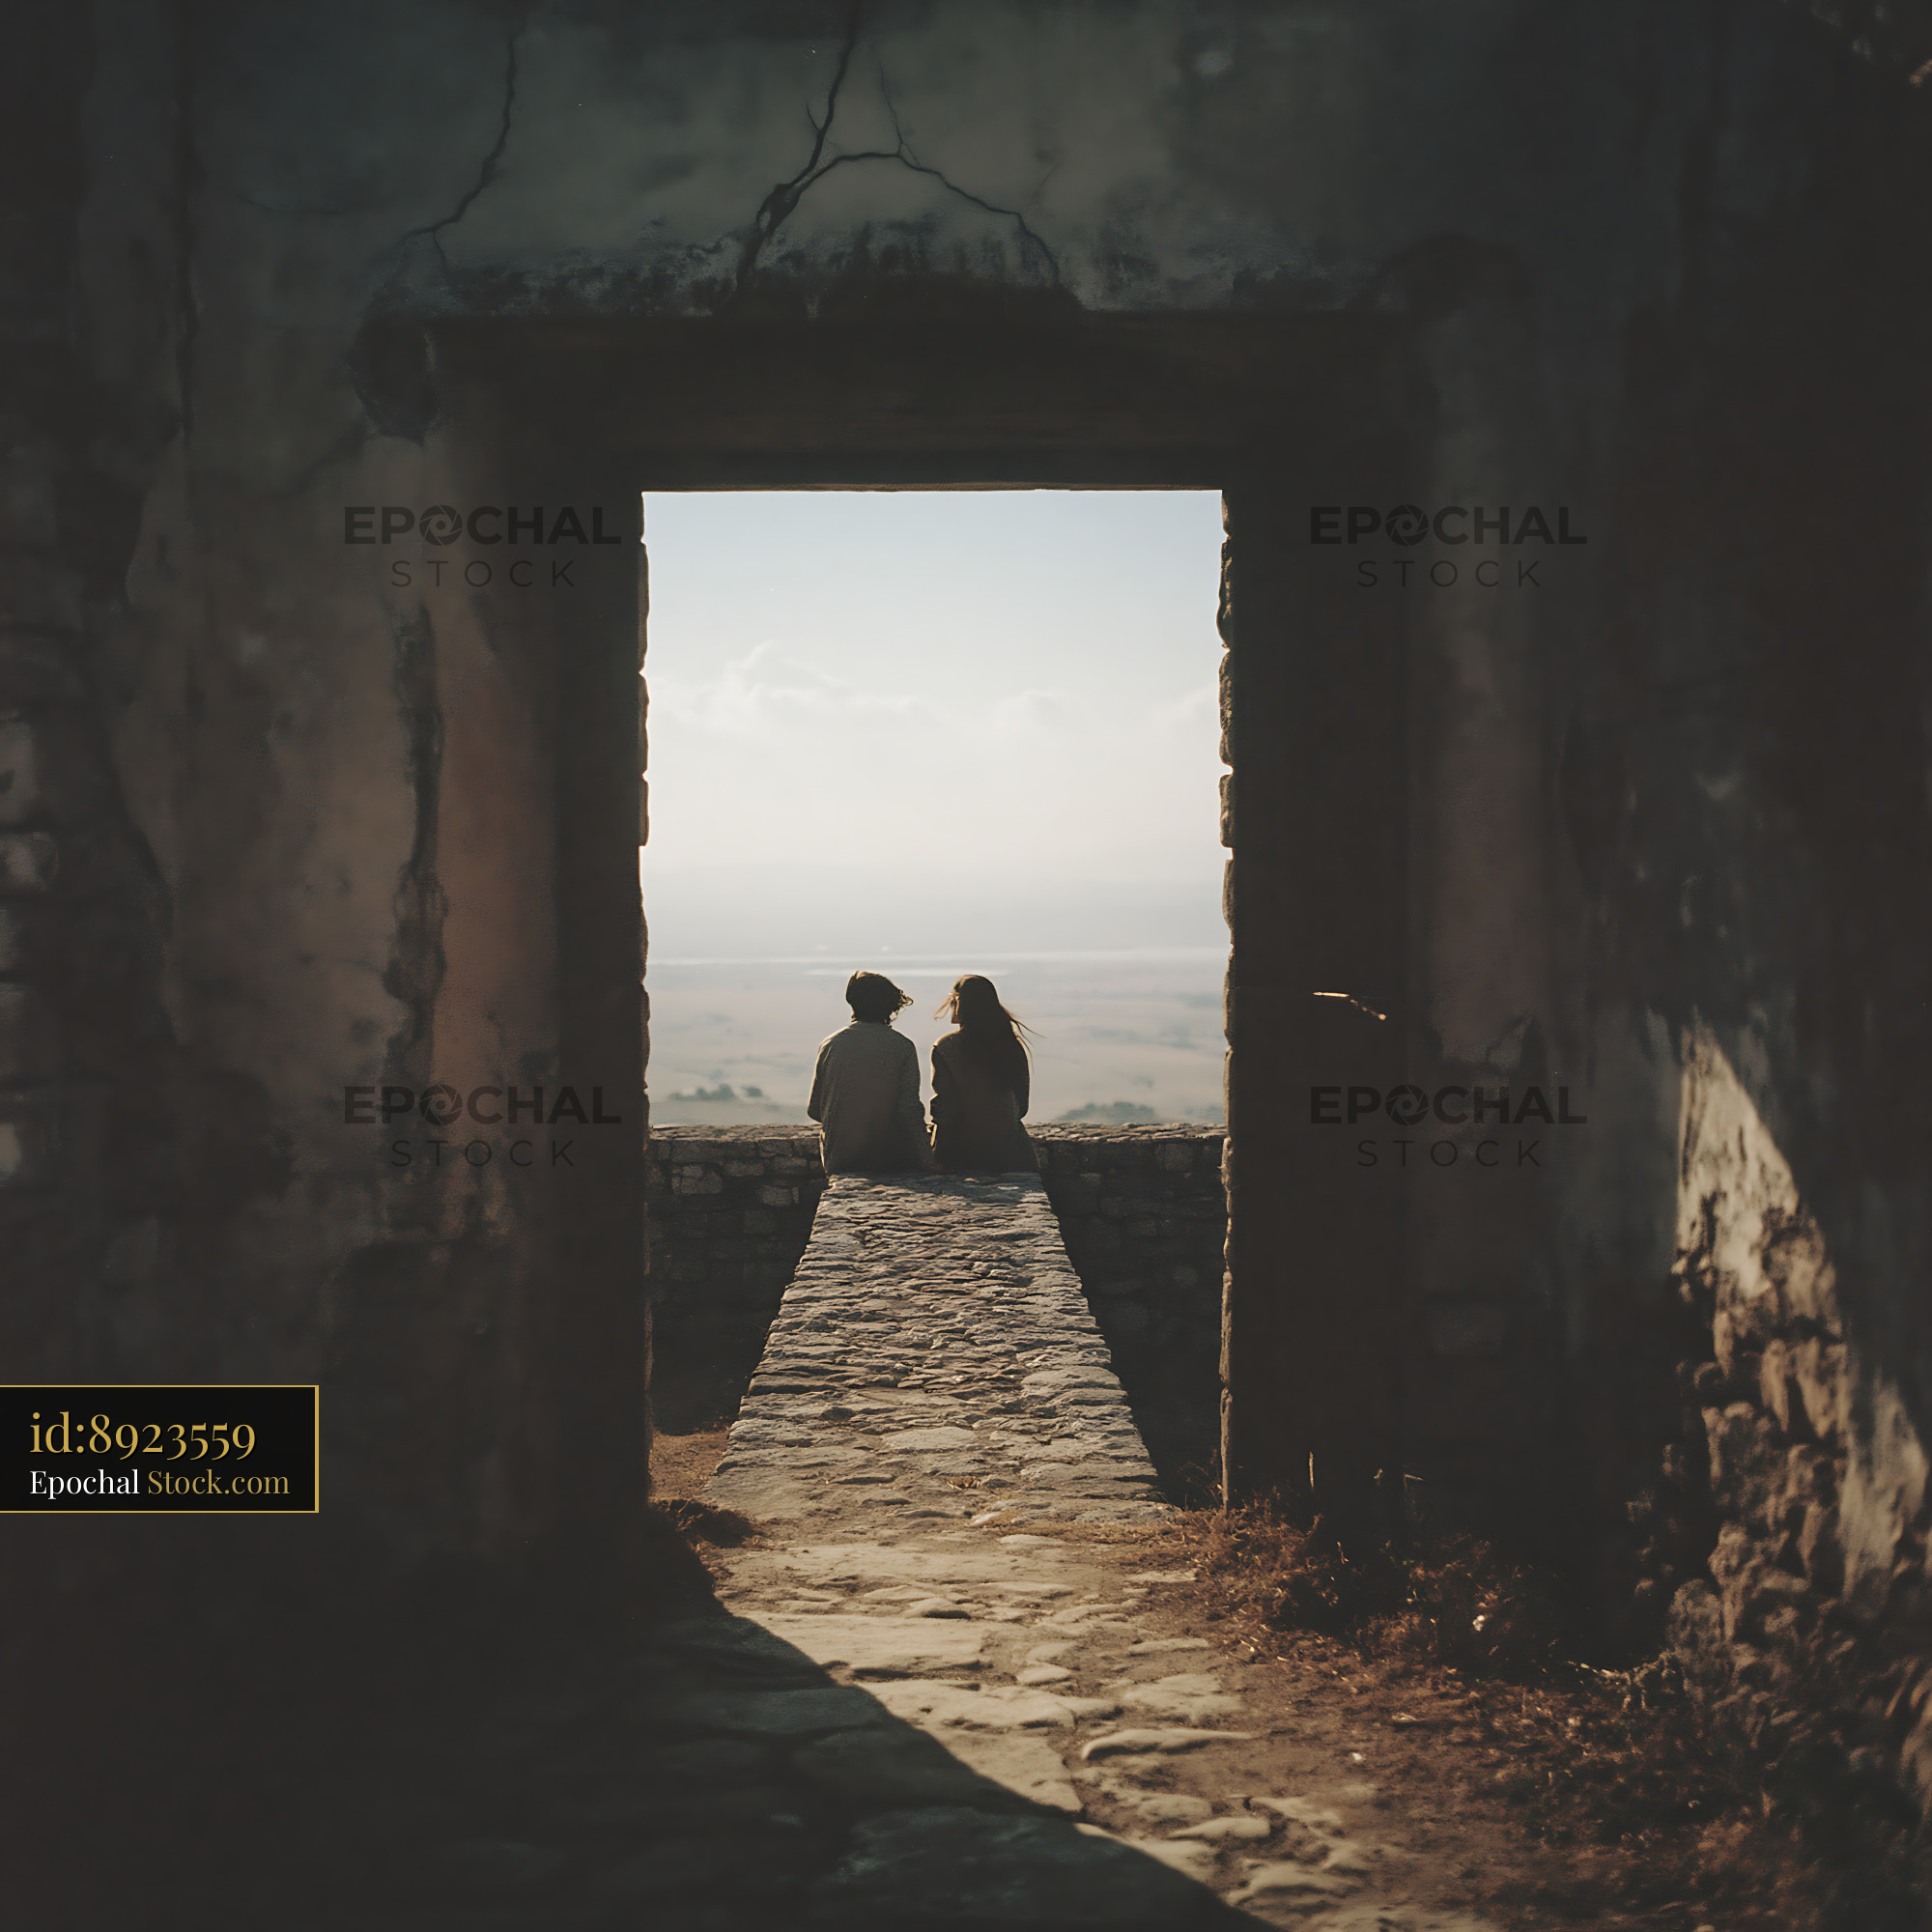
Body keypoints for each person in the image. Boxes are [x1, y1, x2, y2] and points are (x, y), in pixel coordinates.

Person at [808, 971, 933, 1174]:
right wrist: (928, 1157)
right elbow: (908, 1110)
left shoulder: (830, 1044)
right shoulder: (902, 1046)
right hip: (887, 1158)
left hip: (838, 1159)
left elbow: (815, 1110)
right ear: (891, 1005)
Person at [929, 975, 1036, 1173]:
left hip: (964, 1154)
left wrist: (937, 1156)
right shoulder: (1011, 1045)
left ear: (958, 1004)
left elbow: (946, 1111)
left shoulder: (946, 1047)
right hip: (1012, 1152)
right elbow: (1022, 1107)